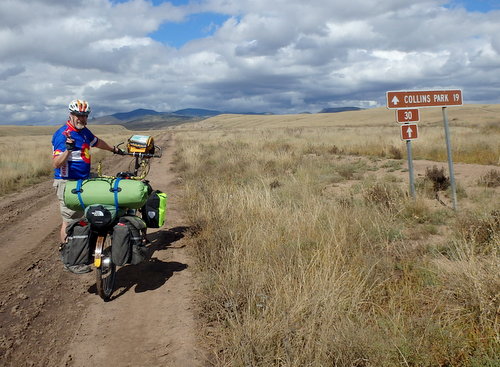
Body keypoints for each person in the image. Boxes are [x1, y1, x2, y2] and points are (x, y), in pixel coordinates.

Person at [52, 99, 124, 274]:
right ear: (71, 115)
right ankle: (69, 257)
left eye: (84, 116)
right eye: (78, 115)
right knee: (69, 221)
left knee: (89, 214)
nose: (82, 119)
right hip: (68, 183)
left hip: (83, 181)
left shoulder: (84, 132)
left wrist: (114, 149)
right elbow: (56, 163)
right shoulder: (64, 135)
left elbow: (97, 142)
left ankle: (86, 248)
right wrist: (68, 150)